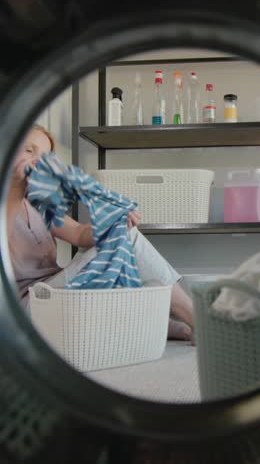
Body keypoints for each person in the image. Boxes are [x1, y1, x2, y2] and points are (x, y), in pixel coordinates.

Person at [7, 124, 194, 341]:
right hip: (27, 306)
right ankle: (192, 318)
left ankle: (159, 323)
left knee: (121, 246)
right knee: (127, 243)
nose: (38, 161)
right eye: (30, 151)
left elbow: (78, 233)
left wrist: (111, 222)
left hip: (55, 291)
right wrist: (15, 187)